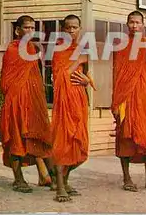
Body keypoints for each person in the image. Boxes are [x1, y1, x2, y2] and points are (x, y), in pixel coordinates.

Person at [0, 15, 54, 193]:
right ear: (17, 30)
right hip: (16, 100)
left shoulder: (31, 48)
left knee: (39, 135)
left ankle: (46, 176)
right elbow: (7, 81)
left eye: (33, 28)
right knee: (17, 137)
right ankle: (18, 179)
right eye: (27, 28)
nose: (31, 31)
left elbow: (35, 78)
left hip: (31, 100)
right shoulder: (13, 49)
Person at [112, 11, 146, 193]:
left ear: (143, 24)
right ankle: (127, 178)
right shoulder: (121, 45)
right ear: (127, 24)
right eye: (131, 22)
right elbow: (116, 75)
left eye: (137, 22)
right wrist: (116, 102)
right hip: (126, 98)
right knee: (125, 138)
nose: (134, 26)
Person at [51, 14, 94, 202]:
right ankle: (60, 186)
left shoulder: (81, 48)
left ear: (79, 28)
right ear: (63, 29)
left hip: (79, 100)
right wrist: (78, 61)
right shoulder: (59, 49)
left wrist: (86, 81)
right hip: (64, 102)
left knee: (79, 144)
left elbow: (85, 76)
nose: (71, 31)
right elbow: (60, 77)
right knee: (64, 141)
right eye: (68, 27)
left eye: (75, 27)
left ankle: (66, 181)